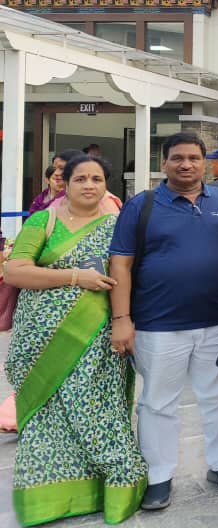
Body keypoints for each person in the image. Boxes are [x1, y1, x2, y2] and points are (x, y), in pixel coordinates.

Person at [4, 154, 147, 525]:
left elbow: (127, 274)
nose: (89, 185)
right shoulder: (44, 220)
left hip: (96, 337)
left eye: (96, 179)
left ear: (106, 186)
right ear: (63, 183)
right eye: (80, 178)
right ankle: (49, 498)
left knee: (95, 410)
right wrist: (74, 277)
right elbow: (15, 271)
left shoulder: (117, 225)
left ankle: (115, 484)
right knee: (47, 417)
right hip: (40, 341)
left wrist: (124, 321)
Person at [108, 131, 218, 511]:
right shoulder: (141, 205)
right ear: (164, 163)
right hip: (157, 324)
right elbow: (120, 264)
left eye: (194, 158)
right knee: (157, 402)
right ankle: (158, 475)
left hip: (216, 319)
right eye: (178, 158)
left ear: (205, 163)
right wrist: (121, 319)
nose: (186, 165)